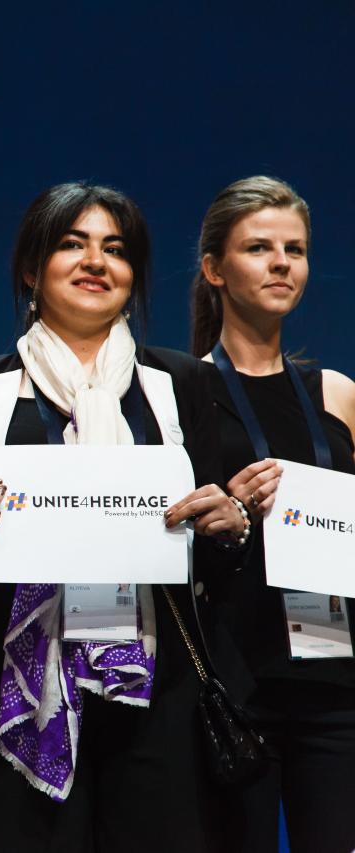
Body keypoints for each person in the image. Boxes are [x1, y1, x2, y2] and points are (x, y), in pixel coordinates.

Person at [0, 182, 248, 852]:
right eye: (72, 244)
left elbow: (212, 563)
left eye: (115, 249)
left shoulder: (180, 383)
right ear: (30, 269)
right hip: (15, 685)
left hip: (159, 689)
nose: (95, 262)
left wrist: (229, 525)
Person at [189, 176, 355, 853]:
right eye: (259, 247)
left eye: (296, 249)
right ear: (214, 270)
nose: (283, 262)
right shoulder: (181, 388)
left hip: (335, 677)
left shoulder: (338, 393)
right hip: (236, 680)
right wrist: (227, 513)